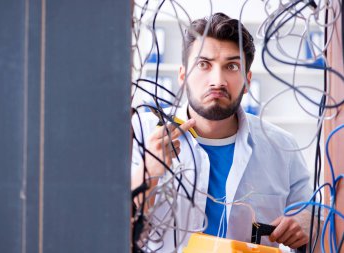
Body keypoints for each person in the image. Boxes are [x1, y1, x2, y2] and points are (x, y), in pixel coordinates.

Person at [131, 12, 313, 253]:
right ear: (183, 75)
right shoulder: (139, 135)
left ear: (247, 81)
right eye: (203, 64)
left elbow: (311, 219)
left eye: (232, 66)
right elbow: (105, 225)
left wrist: (309, 224)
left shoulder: (282, 148)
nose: (217, 81)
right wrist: (148, 172)